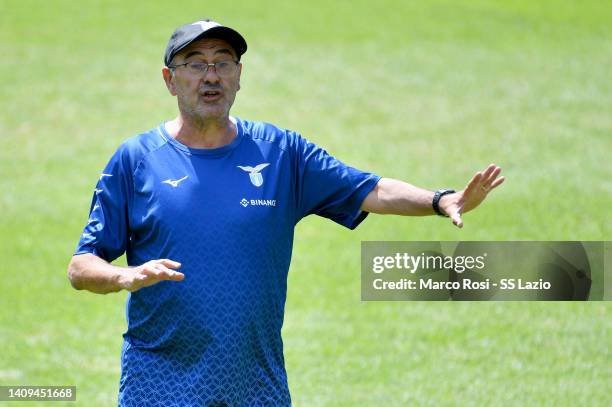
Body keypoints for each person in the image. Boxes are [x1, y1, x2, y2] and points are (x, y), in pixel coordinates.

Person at [67, 19, 504, 407]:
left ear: (239, 76)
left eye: (224, 62)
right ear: (169, 79)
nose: (211, 75)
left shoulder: (281, 153)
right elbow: (81, 265)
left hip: (256, 384)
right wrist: (124, 276)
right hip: (158, 384)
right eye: (196, 63)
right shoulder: (136, 160)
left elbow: (368, 189)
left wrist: (439, 200)